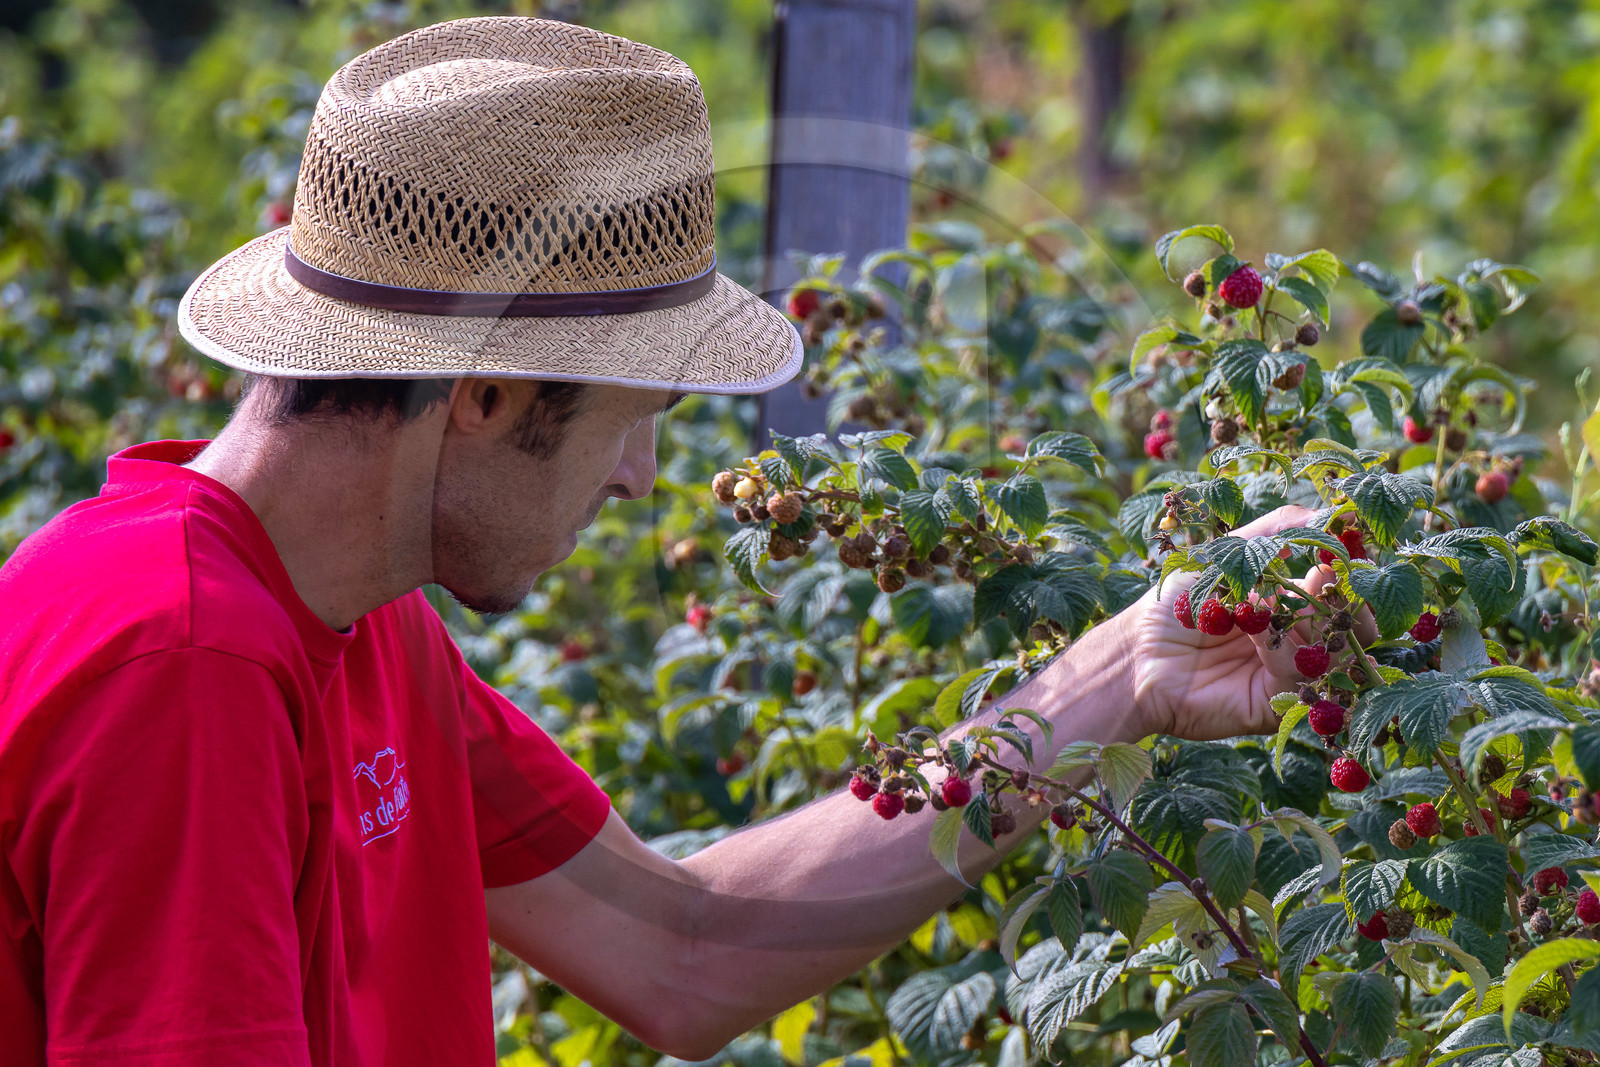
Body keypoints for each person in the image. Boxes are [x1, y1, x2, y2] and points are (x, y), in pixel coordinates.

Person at [0, 16, 1344, 1066]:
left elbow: (683, 951)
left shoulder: (349, 614)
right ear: (482, 398)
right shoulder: (184, 661)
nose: (641, 482)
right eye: (635, 422)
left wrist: (1122, 671)